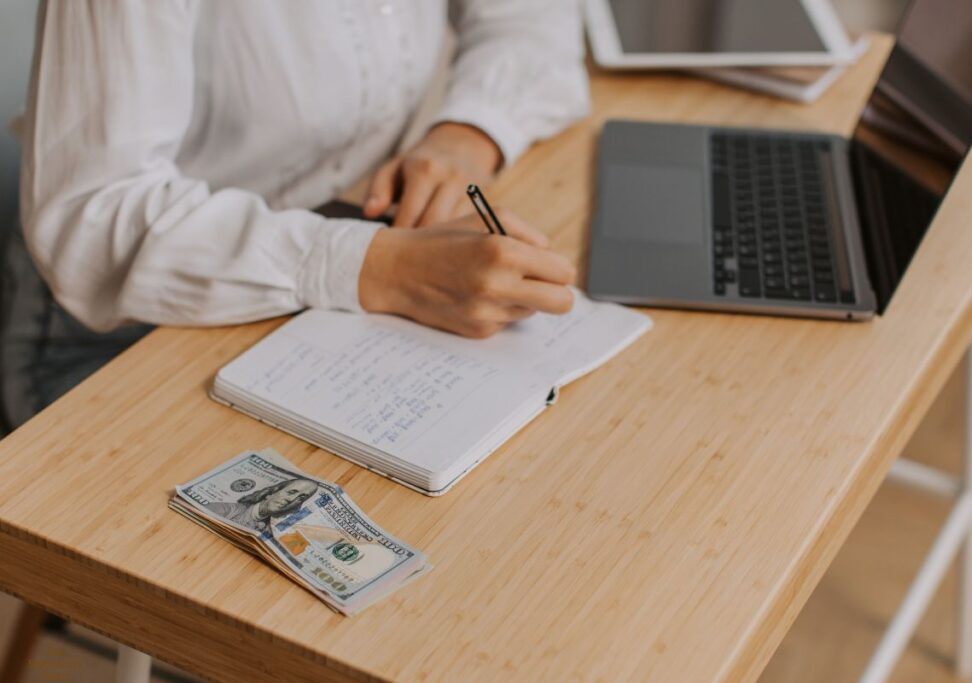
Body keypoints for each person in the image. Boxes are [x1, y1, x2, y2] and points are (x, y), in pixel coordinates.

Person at [0, 0, 589, 432]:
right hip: (119, 333)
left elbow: (531, 18)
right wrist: (379, 268)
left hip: (332, 287)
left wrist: (468, 133)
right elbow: (91, 216)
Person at [206, 479, 319, 534]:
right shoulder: (222, 509)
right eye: (291, 492)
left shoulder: (271, 531)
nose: (291, 500)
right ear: (271, 493)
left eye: (301, 498)